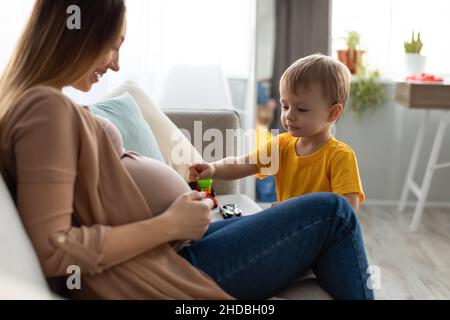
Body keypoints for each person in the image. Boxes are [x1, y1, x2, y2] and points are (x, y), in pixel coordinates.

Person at [0, 0, 373, 300]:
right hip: (170, 265)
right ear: (76, 36)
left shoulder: (43, 105)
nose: (116, 63)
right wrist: (169, 224)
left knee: (311, 215)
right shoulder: (45, 109)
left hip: (176, 247)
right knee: (334, 213)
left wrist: (180, 221)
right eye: (112, 45)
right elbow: (55, 251)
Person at [190, 54, 365, 212]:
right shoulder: (281, 145)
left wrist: (297, 208)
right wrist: (213, 168)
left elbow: (348, 207)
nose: (289, 115)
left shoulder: (340, 156)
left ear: (333, 113)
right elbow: (242, 163)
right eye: (285, 106)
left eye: (302, 109)